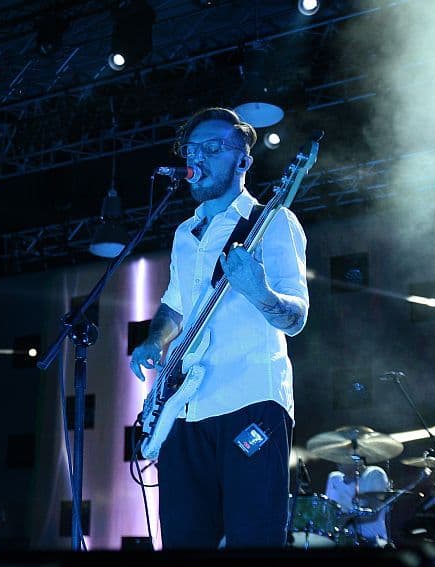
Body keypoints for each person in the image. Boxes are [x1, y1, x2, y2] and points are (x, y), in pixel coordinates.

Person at [129, 107, 309, 548]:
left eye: (212, 148)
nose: (198, 157)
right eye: (192, 149)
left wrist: (259, 291)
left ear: (243, 161)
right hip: (185, 409)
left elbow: (296, 318)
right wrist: (154, 340)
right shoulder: (184, 234)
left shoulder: (273, 222)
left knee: (253, 539)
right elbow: (175, 305)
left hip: (251, 398)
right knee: (184, 540)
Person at [325, 461, 389, 545]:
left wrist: (345, 519)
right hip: (340, 540)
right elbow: (328, 513)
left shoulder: (374, 473)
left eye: (343, 457)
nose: (338, 461)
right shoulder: (334, 478)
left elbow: (373, 513)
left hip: (371, 541)